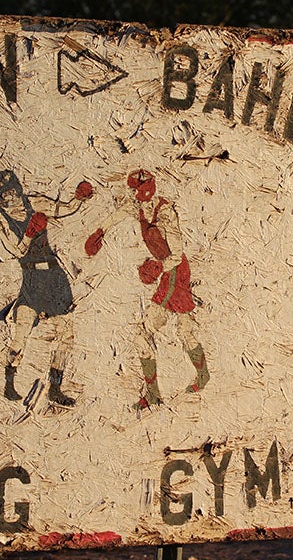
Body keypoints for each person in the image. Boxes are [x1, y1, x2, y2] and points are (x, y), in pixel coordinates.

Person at [84, 169, 209, 409]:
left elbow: (176, 254)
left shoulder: (165, 212)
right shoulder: (139, 207)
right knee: (181, 331)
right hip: (167, 275)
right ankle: (195, 378)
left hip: (174, 274)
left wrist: (156, 268)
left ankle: (160, 391)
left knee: (152, 332)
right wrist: (99, 233)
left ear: (146, 189)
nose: (132, 194)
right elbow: (118, 215)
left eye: (135, 190)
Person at [0, 170, 93, 407]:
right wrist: (30, 233)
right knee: (22, 329)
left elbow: (63, 208)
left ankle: (55, 386)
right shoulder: (1, 221)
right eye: (4, 194)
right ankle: (9, 382)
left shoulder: (34, 202)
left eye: (12, 191)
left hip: (54, 277)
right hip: (32, 278)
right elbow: (15, 252)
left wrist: (79, 198)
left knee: (65, 333)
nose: (10, 198)